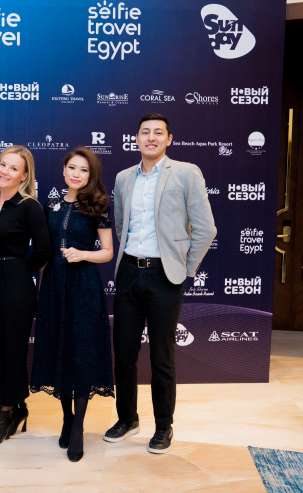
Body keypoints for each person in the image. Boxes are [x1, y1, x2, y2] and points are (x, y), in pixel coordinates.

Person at [104, 113, 216, 454]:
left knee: (162, 357)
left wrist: (183, 269)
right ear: (136, 138)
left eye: (158, 132)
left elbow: (205, 229)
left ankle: (164, 426)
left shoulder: (186, 173)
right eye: (145, 132)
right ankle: (127, 419)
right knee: (124, 354)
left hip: (165, 277)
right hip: (128, 273)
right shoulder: (124, 178)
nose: (150, 137)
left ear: (169, 139)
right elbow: (121, 225)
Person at [30, 147, 115, 462]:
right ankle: (66, 418)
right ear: (63, 170)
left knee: (81, 354)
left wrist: (82, 254)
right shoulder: (51, 206)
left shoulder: (99, 205)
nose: (77, 174)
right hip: (54, 287)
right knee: (59, 351)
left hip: (83, 287)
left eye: (84, 170)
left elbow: (107, 252)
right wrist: (41, 287)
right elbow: (44, 252)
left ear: (91, 175)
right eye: (72, 168)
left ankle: (78, 425)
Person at [0, 145, 51, 446]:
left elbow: (43, 251)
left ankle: (4, 413)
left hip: (15, 288)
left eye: (13, 168)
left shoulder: (29, 207)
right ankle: (18, 406)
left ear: (24, 175)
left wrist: (18, 270)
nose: (4, 171)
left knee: (11, 351)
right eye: (2, 164)